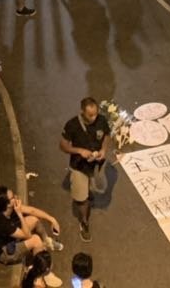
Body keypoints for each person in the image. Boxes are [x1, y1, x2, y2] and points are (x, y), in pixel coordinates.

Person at [58, 98, 110, 242]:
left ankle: (87, 192)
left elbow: (107, 136)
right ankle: (84, 223)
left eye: (95, 114)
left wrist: (103, 150)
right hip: (79, 166)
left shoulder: (102, 120)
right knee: (81, 199)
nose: (94, 118)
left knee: (92, 186)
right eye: (90, 115)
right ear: (82, 112)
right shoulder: (72, 125)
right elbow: (63, 145)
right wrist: (79, 151)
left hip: (95, 164)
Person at [0, 186, 62, 267]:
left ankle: (47, 242)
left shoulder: (8, 209)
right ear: (8, 204)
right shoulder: (1, 222)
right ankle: (38, 266)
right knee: (35, 240)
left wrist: (52, 219)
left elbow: (32, 211)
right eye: (13, 197)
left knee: (34, 220)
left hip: (10, 237)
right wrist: (19, 213)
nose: (16, 197)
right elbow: (28, 235)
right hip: (4, 252)